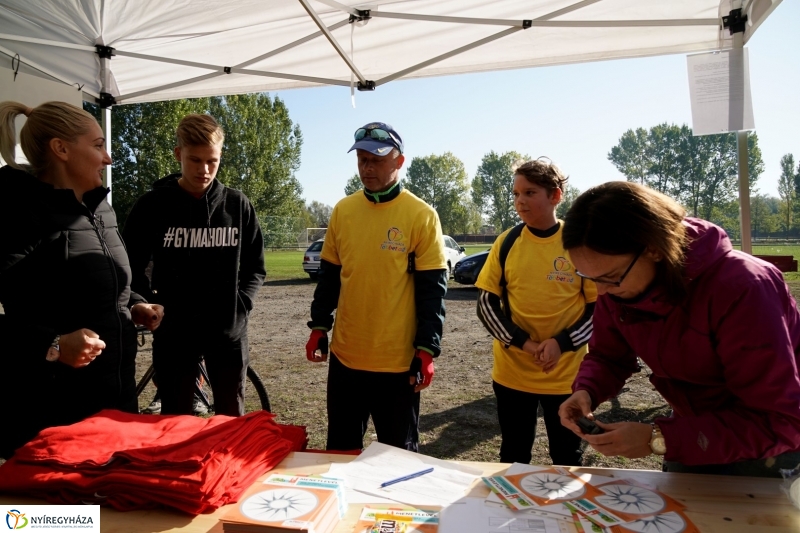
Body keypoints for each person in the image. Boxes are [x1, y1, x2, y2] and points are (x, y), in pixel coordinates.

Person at [558, 180, 800, 477]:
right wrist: (587, 390)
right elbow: (608, 356)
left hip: (771, 450)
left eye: (610, 277)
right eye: (589, 277)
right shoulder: (620, 286)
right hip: (693, 428)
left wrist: (659, 439)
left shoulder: (743, 287)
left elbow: (778, 420)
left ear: (654, 249)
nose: (601, 291)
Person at [0, 100, 163, 458]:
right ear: (61, 149)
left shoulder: (101, 209)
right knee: (71, 500)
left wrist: (134, 303)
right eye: (98, 145)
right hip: (54, 418)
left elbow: (105, 282)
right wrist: (54, 344)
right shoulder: (18, 215)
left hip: (116, 405)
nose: (108, 158)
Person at [305, 122, 447, 452]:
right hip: (346, 360)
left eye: (377, 160)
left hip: (397, 365)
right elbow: (329, 278)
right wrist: (319, 326)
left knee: (397, 460)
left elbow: (432, 292)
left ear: (399, 161)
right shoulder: (343, 210)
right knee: (340, 452)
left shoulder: (421, 215)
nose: (367, 168)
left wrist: (427, 350)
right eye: (362, 160)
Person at [122, 114, 265, 416]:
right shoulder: (152, 206)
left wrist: (241, 306)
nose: (204, 170)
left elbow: (255, 267)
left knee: (230, 419)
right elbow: (130, 267)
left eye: (212, 161)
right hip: (174, 334)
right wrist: (143, 302)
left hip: (228, 334)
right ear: (178, 154)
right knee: (174, 419)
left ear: (221, 156)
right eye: (195, 160)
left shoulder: (237, 205)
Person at [475, 158, 597, 466]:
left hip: (567, 378)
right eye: (516, 194)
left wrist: (561, 344)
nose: (520, 201)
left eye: (530, 193)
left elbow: (598, 310)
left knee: (567, 457)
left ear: (555, 195)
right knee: (514, 456)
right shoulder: (506, 242)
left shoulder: (578, 243)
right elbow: (486, 306)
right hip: (513, 375)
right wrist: (527, 345)